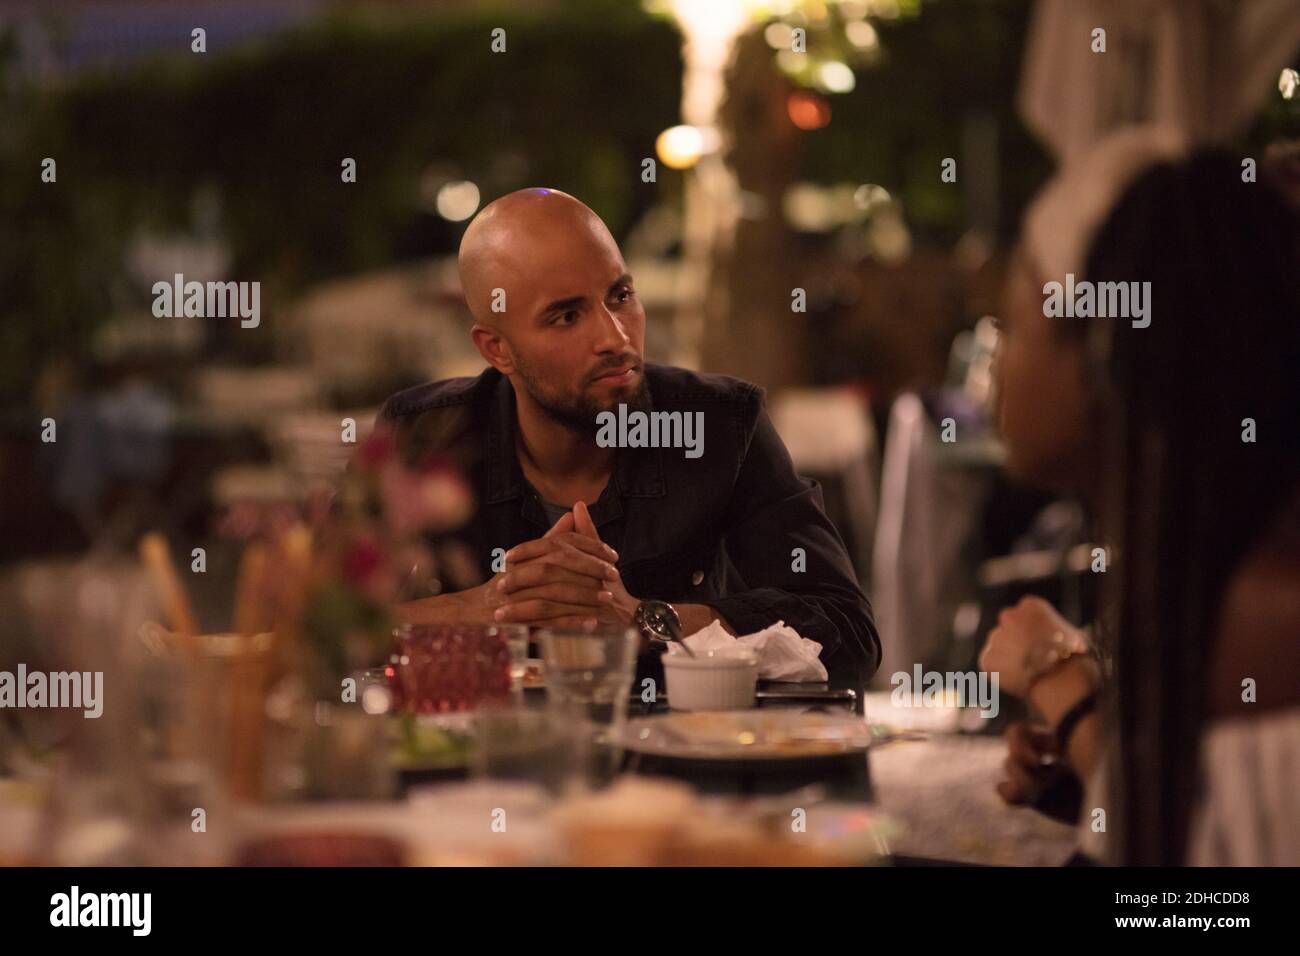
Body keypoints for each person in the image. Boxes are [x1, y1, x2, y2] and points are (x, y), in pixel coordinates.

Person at [377, 187, 880, 687]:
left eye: (620, 297)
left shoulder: (719, 425)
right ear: (497, 349)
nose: (615, 339)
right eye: (567, 316)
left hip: (688, 757)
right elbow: (320, 628)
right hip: (486, 758)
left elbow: (849, 634)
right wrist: (486, 608)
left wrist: (643, 620)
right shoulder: (424, 437)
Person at [981, 130, 1300, 865]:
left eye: (1016, 321)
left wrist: (1064, 688)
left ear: (1102, 352)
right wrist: (1102, 781)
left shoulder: (1264, 621)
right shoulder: (1209, 570)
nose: (999, 359)